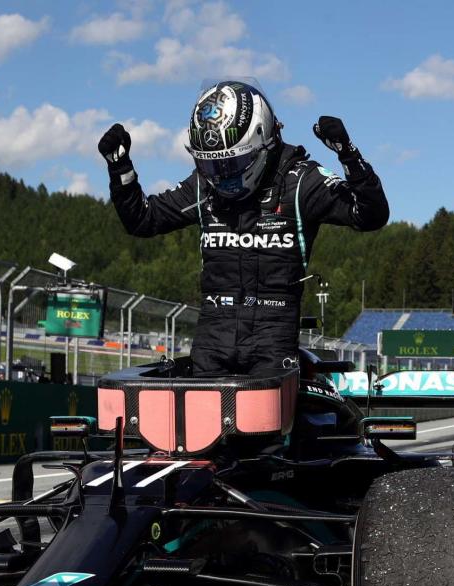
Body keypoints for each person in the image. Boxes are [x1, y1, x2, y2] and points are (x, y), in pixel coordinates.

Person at [98, 79, 389, 375]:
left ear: (262, 141)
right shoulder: (203, 187)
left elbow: (370, 215)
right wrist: (120, 168)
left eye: (232, 164)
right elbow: (143, 219)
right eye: (213, 166)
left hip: (273, 343)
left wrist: (348, 155)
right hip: (212, 340)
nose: (223, 177)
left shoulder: (300, 181)